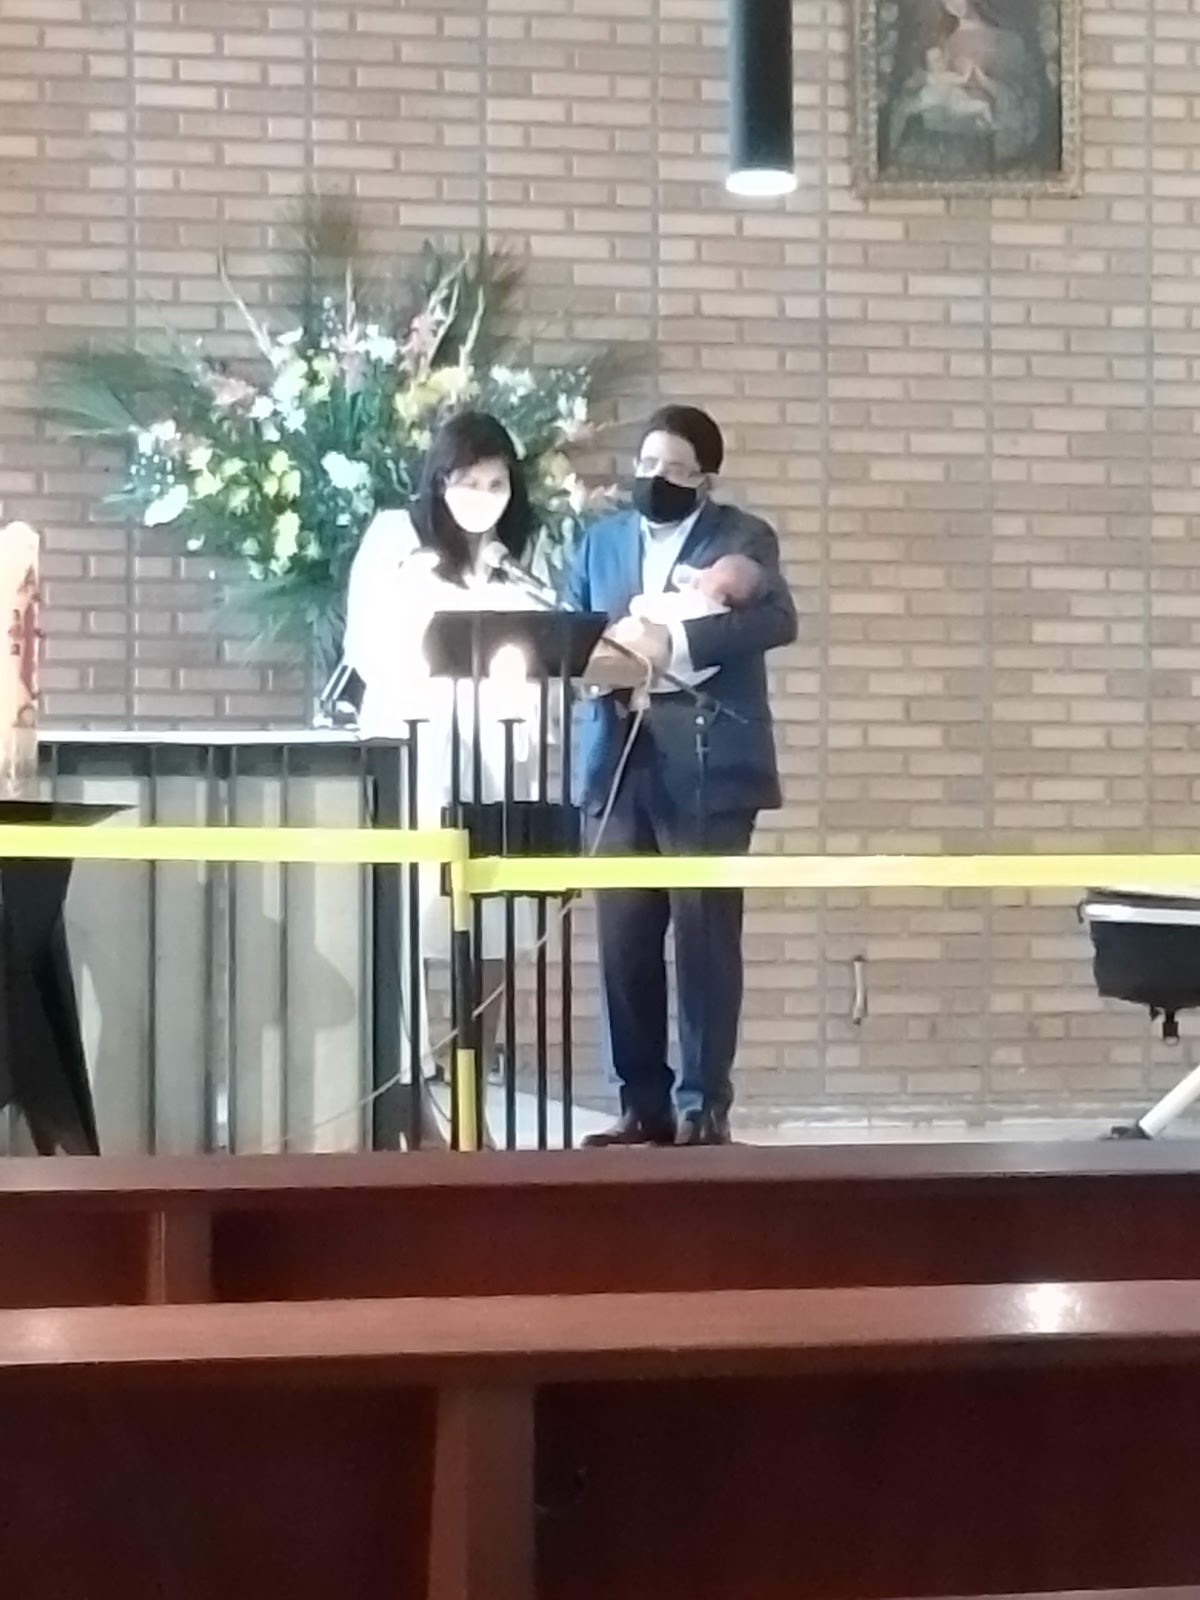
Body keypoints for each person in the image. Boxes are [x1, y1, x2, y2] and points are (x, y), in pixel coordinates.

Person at [564, 405, 798, 1146]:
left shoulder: (742, 537)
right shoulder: (600, 541)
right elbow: (569, 627)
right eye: (646, 464)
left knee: (704, 938)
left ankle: (702, 1104)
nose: (655, 478)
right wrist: (594, 664)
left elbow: (777, 621)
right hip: (617, 758)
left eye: (673, 468)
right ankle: (642, 1102)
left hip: (705, 761)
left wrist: (676, 642)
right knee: (624, 941)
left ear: (706, 479)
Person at [343, 410, 542, 1148]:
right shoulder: (396, 539)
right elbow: (369, 646)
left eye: (496, 484)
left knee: (492, 923)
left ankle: (471, 1096)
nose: (483, 498)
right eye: (468, 482)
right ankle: (409, 1104)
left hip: (498, 757)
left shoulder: (519, 553)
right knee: (410, 922)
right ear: (439, 480)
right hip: (418, 751)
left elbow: (543, 640)